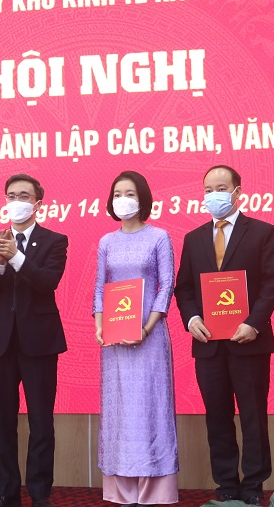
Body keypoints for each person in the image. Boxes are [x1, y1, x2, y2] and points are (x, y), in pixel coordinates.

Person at [174, 165, 274, 507]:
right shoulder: (194, 239)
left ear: (238, 192)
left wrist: (254, 323)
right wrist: (191, 318)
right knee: (217, 415)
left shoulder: (263, 232)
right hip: (208, 344)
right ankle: (226, 483)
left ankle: (253, 485)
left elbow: (271, 284)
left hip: (249, 341)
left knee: (253, 415)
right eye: (208, 190)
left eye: (221, 188)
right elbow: (184, 288)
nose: (213, 195)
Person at [0, 174, 69, 507]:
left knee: (41, 420)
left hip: (39, 341)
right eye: (11, 195)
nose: (16, 201)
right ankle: (7, 491)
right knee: (4, 421)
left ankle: (40, 492)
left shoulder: (54, 240)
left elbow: (47, 282)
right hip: (1, 341)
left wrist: (16, 256)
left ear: (37, 204)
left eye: (24, 196)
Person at [93, 171, 178, 507]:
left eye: (129, 193)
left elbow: (166, 285)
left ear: (142, 198)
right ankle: (121, 491)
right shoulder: (106, 242)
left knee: (150, 409)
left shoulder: (159, 237)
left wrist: (145, 328)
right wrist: (100, 325)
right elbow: (100, 288)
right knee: (120, 412)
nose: (122, 199)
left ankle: (155, 492)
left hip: (149, 338)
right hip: (115, 341)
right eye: (117, 194)